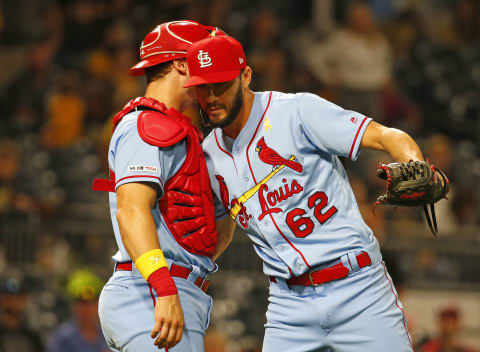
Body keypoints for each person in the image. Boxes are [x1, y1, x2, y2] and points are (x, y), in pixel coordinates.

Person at [183, 34, 446, 351]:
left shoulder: (296, 112)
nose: (211, 96)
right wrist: (182, 281)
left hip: (358, 288)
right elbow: (221, 227)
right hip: (288, 304)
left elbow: (386, 135)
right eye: (202, 86)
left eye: (221, 84)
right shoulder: (208, 156)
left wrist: (415, 162)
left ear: (245, 76)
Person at [92, 21, 235, 351]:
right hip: (152, 290)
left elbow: (206, 234)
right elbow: (131, 210)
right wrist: (164, 287)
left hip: (176, 289)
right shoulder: (147, 124)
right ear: (182, 64)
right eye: (205, 59)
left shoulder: (186, 133)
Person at [48, 270, 109, 352]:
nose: (87, 309)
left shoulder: (109, 335)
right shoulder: (63, 338)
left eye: (91, 303)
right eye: (82, 304)